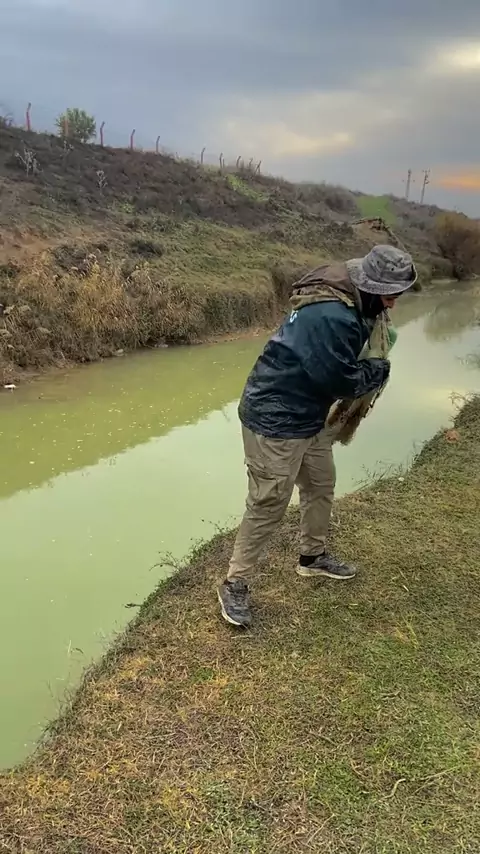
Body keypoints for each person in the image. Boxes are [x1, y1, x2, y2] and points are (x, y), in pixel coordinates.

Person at [217, 244, 417, 627]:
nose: (392, 304)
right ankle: (234, 583)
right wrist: (377, 370)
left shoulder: (350, 300)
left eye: (397, 295)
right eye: (388, 296)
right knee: (268, 501)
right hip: (276, 417)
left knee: (320, 484)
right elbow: (340, 380)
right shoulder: (333, 316)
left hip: (310, 413)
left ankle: (312, 557)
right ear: (369, 286)